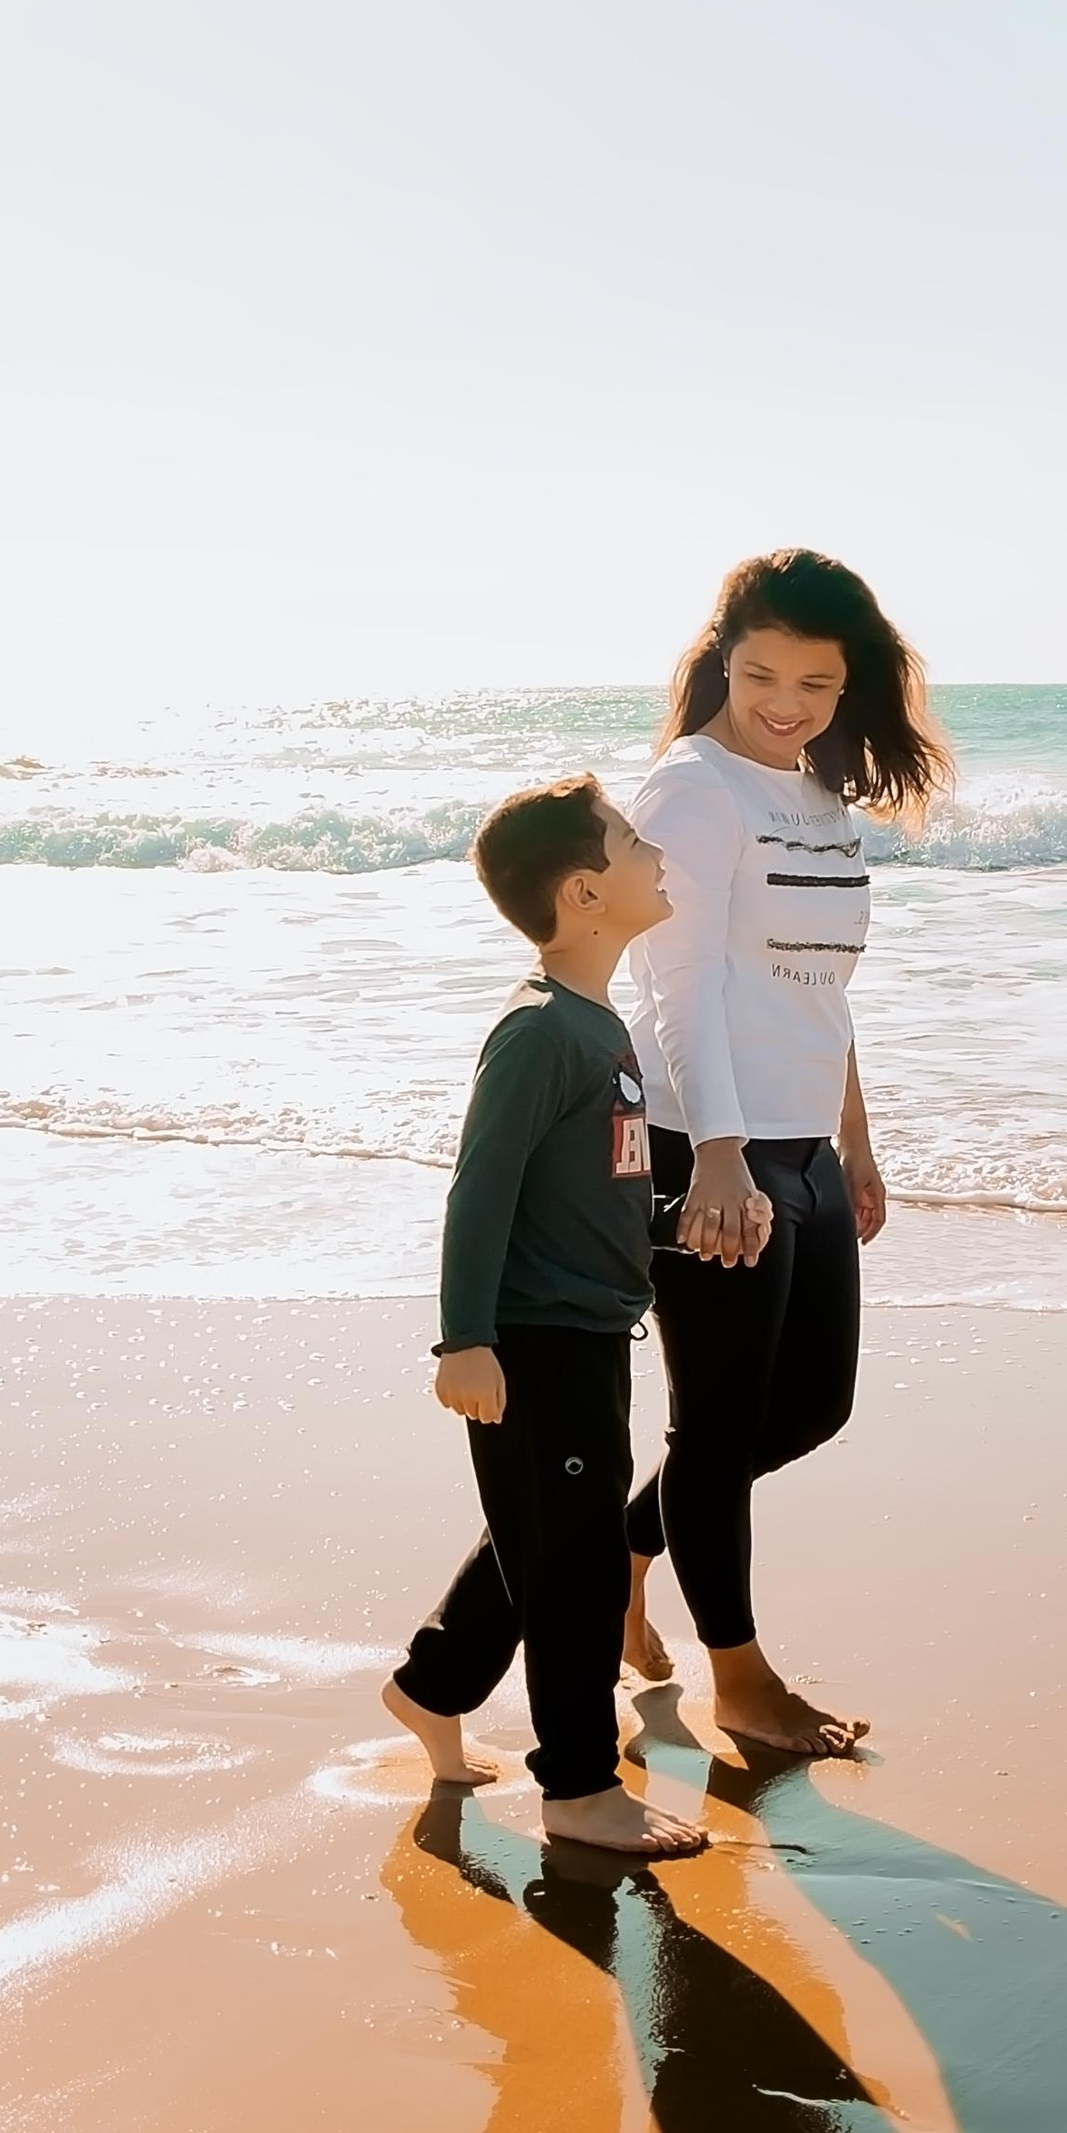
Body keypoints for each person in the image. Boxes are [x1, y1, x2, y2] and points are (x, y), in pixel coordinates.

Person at [620, 548, 947, 1756]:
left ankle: (626, 1549)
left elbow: (820, 989)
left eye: (816, 680)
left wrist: (852, 1142)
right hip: (706, 1145)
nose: (787, 702)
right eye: (762, 673)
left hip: (800, 1144)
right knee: (715, 1428)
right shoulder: (692, 791)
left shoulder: (814, 797)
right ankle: (741, 1682)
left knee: (812, 1407)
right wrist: (716, 1155)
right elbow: (678, 986)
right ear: (721, 659)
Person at [382, 776, 706, 1857]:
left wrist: (672, 1222)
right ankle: (575, 1788)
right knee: (570, 1568)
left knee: (540, 1535)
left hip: (587, 1334)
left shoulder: (598, 1025)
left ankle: (433, 1687)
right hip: (530, 1342)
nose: (650, 847)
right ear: (583, 892)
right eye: (627, 839)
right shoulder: (537, 1031)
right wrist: (462, 1338)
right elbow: (480, 1188)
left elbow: (595, 1186)